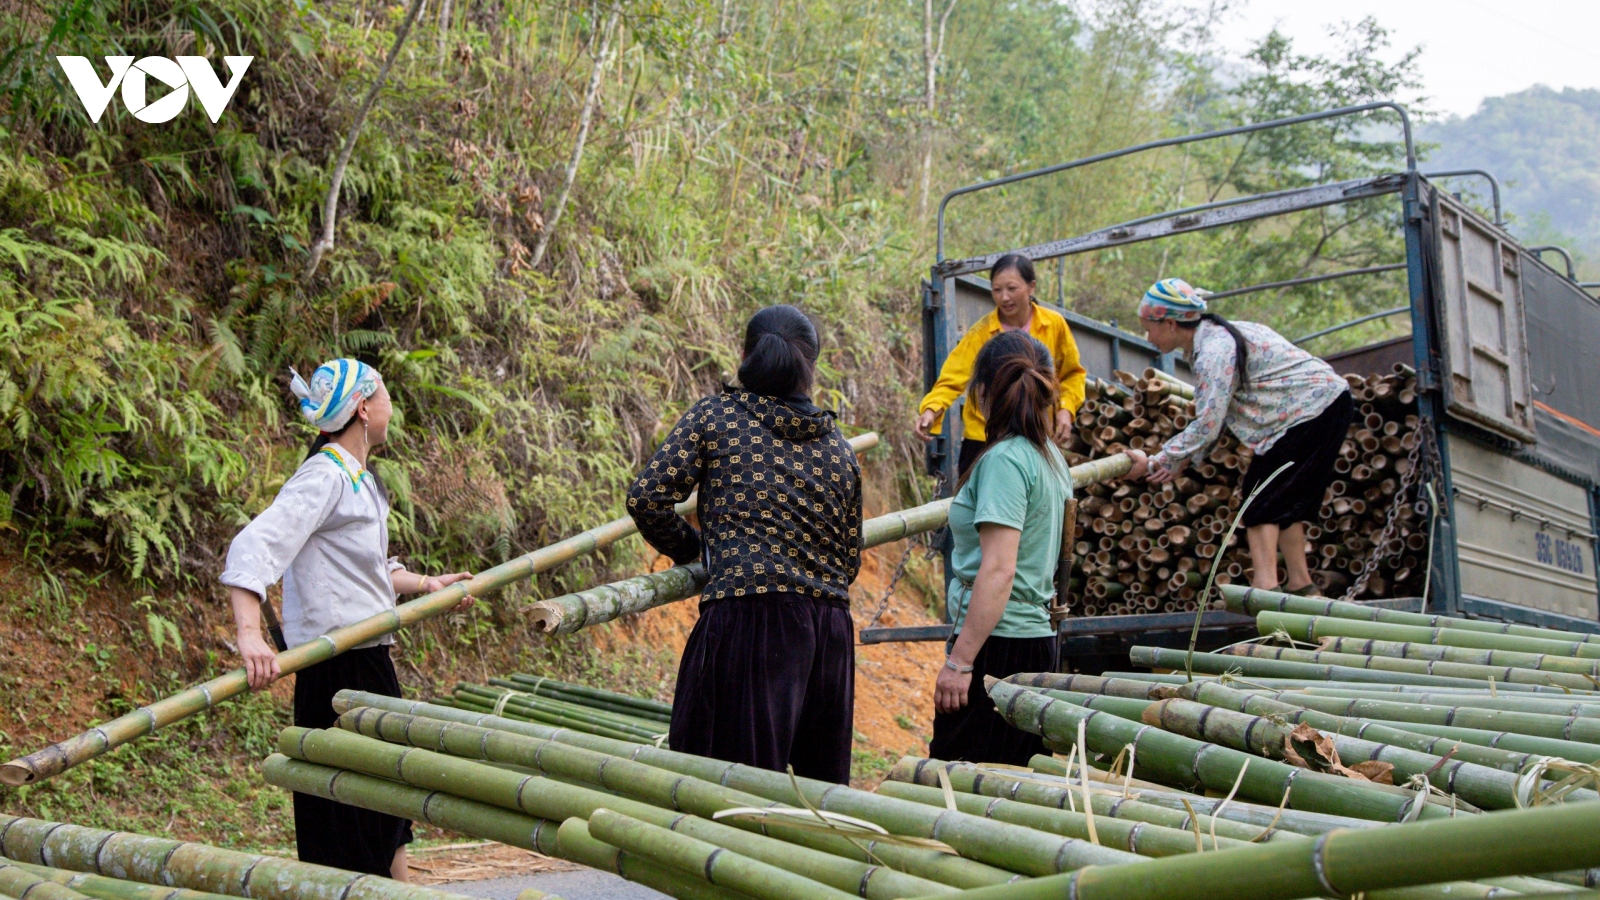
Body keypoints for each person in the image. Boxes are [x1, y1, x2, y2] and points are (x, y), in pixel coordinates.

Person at [220, 359, 475, 879]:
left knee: (389, 811)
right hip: (335, 670)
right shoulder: (323, 477)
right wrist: (250, 635)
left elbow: (368, 570)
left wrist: (427, 584)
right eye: (385, 398)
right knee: (345, 822)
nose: (390, 410)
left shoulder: (359, 478)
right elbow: (252, 547)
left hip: (372, 661)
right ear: (362, 408)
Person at [627, 305, 863, 783]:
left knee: (726, 791)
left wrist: (695, 550)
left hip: (750, 622)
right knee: (819, 799)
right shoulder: (839, 448)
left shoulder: (716, 417)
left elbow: (647, 498)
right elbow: (849, 561)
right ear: (811, 366)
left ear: (745, 356)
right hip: (830, 633)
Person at [1123, 278, 1353, 595]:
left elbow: (1208, 422)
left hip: (1311, 410)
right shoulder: (1217, 339)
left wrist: (1157, 460)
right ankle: (1302, 585)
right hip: (1322, 407)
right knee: (1285, 500)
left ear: (1171, 324)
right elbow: (1218, 417)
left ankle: (1266, 587)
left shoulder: (1214, 351)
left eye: (1149, 329)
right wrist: (1179, 460)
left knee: (1259, 498)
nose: (1148, 338)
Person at [929, 331, 1071, 766]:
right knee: (1014, 777)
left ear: (983, 393)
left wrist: (960, 661)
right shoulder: (1050, 456)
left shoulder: (1005, 461)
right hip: (1034, 641)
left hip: (998, 646)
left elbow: (999, 569)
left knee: (957, 778)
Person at [915, 254, 1087, 475]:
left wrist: (1066, 409)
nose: (1004, 297)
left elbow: (1073, 374)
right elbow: (952, 377)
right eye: (997, 290)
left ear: (1031, 287)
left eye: (1012, 288)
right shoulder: (982, 331)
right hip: (984, 438)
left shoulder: (1054, 325)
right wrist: (931, 410)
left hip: (1035, 434)